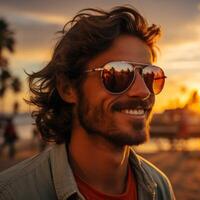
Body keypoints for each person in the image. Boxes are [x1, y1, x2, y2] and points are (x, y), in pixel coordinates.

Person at [0, 6, 174, 200]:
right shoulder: (12, 193)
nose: (142, 91)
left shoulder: (159, 188)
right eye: (118, 74)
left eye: (150, 76)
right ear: (68, 88)